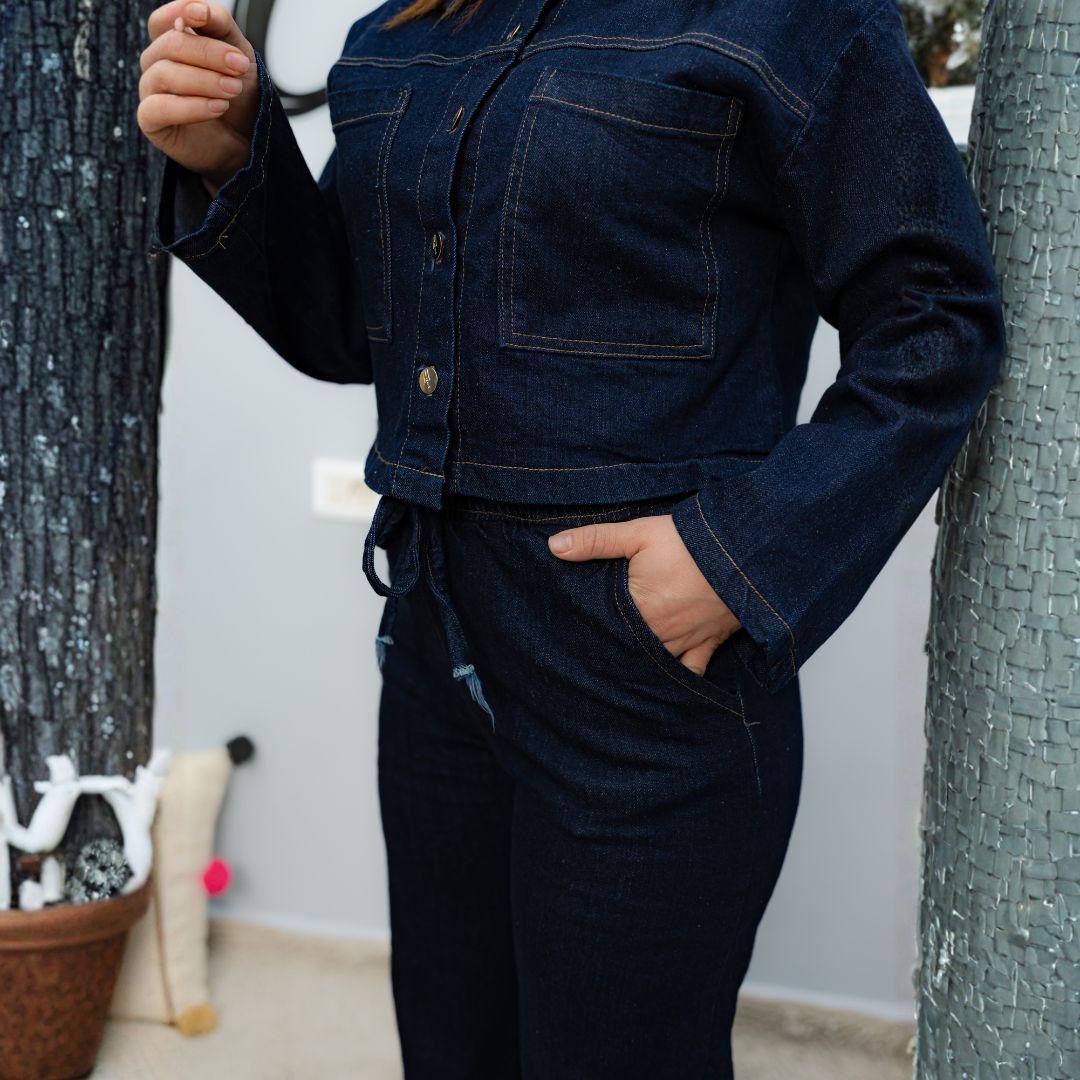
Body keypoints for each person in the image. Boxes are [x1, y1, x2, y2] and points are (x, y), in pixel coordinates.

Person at [138, 1, 1006, 1076]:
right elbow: (352, 323)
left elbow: (936, 317)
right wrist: (236, 156)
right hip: (434, 651)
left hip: (640, 687)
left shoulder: (788, 17)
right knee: (454, 1050)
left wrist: (734, 558)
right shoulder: (401, 31)